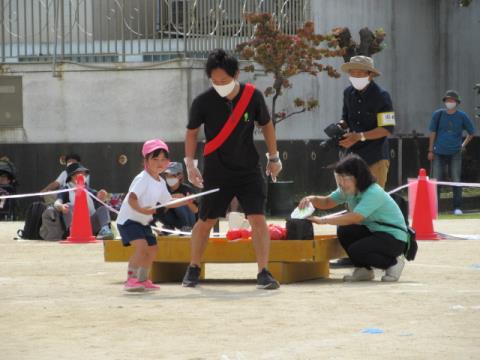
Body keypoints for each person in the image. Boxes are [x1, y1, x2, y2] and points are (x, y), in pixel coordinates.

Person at [182, 48, 282, 289]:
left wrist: (274, 157)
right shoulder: (203, 101)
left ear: (236, 74)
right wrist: (190, 164)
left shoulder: (253, 96)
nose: (219, 85)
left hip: (248, 168)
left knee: (258, 219)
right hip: (216, 170)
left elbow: (267, 125)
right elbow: (192, 132)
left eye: (224, 81)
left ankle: (263, 272)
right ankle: (193, 267)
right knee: (205, 220)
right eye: (214, 81)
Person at [298, 154, 408, 282]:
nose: (342, 184)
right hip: (375, 232)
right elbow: (328, 201)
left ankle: (392, 264)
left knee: (356, 250)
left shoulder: (373, 192)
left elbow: (355, 217)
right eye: (339, 179)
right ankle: (364, 270)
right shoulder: (348, 189)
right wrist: (311, 199)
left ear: (359, 177)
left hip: (394, 238)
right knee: (345, 230)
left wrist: (323, 221)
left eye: (346, 179)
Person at [116, 139, 191, 292]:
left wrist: (184, 201)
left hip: (144, 222)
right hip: (129, 221)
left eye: (164, 159)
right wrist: (143, 210)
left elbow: (167, 203)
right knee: (142, 247)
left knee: (153, 249)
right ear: (146, 160)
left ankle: (143, 279)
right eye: (155, 159)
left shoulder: (161, 182)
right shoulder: (142, 178)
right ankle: (131, 279)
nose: (160, 163)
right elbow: (132, 199)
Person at [338, 55, 395, 189]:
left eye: (360, 73)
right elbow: (345, 119)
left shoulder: (382, 96)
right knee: (352, 198)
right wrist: (339, 126)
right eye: (352, 73)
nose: (355, 76)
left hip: (376, 156)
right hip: (353, 156)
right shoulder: (348, 93)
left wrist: (360, 136)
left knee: (373, 199)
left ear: (370, 75)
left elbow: (387, 129)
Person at [427, 90, 475, 215]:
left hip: (455, 152)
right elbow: (432, 132)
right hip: (438, 151)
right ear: (445, 102)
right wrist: (430, 150)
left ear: (456, 102)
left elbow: (472, 132)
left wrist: (462, 145)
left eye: (452, 100)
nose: (449, 102)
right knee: (436, 180)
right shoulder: (438, 114)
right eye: (447, 100)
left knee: (456, 179)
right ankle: (434, 208)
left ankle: (457, 207)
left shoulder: (462, 116)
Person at [54, 162, 113, 240]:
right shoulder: (65, 189)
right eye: (80, 173)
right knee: (69, 205)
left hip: (90, 225)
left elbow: (100, 197)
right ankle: (74, 231)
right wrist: (61, 207)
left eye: (84, 174)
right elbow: (57, 203)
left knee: (103, 208)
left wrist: (102, 195)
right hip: (74, 226)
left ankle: (105, 230)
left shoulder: (88, 190)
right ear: (72, 175)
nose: (83, 176)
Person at [155, 161, 198, 232]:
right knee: (159, 205)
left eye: (173, 175)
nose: (169, 178)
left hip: (190, 221)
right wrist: (169, 200)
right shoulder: (163, 189)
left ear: (180, 175)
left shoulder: (187, 190)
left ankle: (187, 227)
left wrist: (186, 201)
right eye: (167, 175)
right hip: (175, 221)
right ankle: (168, 226)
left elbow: (196, 210)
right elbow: (157, 210)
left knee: (178, 202)